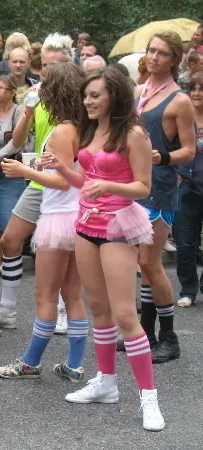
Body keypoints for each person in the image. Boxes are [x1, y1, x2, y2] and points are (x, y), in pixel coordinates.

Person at [42, 66, 165, 432]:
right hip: (85, 225)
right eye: (86, 95)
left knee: (126, 314)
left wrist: (110, 188)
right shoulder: (92, 130)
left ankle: (149, 398)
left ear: (114, 94)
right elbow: (86, 183)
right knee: (98, 308)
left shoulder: (134, 134)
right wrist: (62, 168)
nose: (88, 101)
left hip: (117, 227)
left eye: (95, 95)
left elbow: (143, 187)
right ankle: (106, 383)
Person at [0, 62, 87, 381]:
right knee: (72, 294)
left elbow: (63, 182)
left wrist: (25, 172)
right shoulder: (84, 128)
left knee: (46, 295)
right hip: (79, 219)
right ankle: (74, 364)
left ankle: (30, 362)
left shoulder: (62, 131)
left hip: (59, 218)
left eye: (45, 87)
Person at [0, 33, 74, 331]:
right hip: (39, 181)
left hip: (65, 184)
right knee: (11, 240)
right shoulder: (37, 94)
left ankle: (63, 311)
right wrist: (28, 111)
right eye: (43, 68)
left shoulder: (77, 99)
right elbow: (20, 140)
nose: (45, 74)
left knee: (60, 250)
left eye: (52, 68)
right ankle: (8, 310)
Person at [118, 31, 196, 364]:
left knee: (150, 263)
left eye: (162, 53)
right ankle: (146, 333)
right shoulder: (139, 90)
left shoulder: (180, 100)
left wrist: (162, 158)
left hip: (160, 188)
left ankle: (169, 337)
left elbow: (190, 151)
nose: (154, 57)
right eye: (151, 51)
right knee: (142, 265)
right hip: (132, 184)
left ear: (175, 60)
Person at [0, 75, 33, 278]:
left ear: (12, 92)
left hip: (12, 170)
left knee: (11, 218)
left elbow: (18, 142)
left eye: (2, 88)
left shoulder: (20, 112)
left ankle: (13, 261)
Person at [175, 73, 203, 308]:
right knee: (185, 243)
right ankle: (188, 289)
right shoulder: (182, 118)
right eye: (193, 88)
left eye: (201, 89)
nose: (196, 93)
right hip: (186, 186)